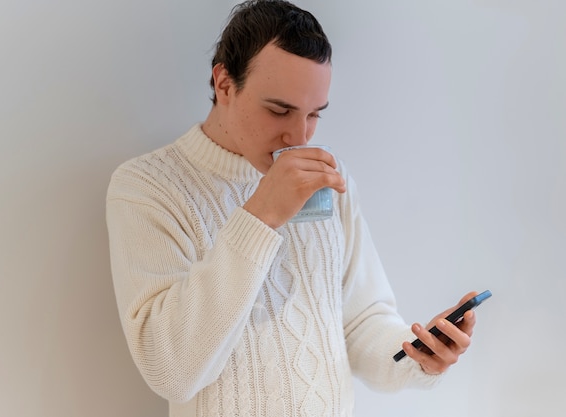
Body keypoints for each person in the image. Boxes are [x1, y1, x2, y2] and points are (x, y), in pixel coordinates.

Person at [106, 1, 478, 416]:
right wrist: (260, 215)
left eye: (314, 114)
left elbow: (360, 322)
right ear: (225, 83)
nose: (298, 135)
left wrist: (416, 355)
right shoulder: (148, 187)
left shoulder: (329, 180)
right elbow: (171, 372)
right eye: (279, 110)